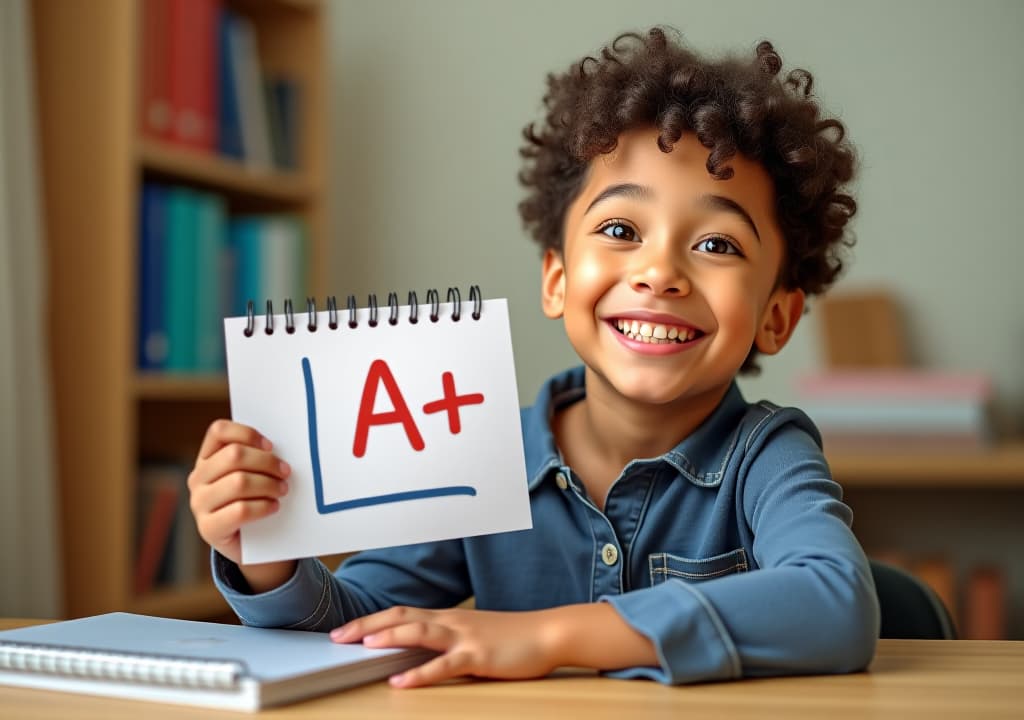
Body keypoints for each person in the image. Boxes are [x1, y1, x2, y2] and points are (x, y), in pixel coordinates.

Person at [188, 26, 879, 688]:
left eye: (718, 244)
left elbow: (838, 602)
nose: (659, 272)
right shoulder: (475, 455)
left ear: (778, 315)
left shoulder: (767, 453)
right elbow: (356, 625)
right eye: (619, 229)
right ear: (556, 280)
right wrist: (266, 558)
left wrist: (549, 637)